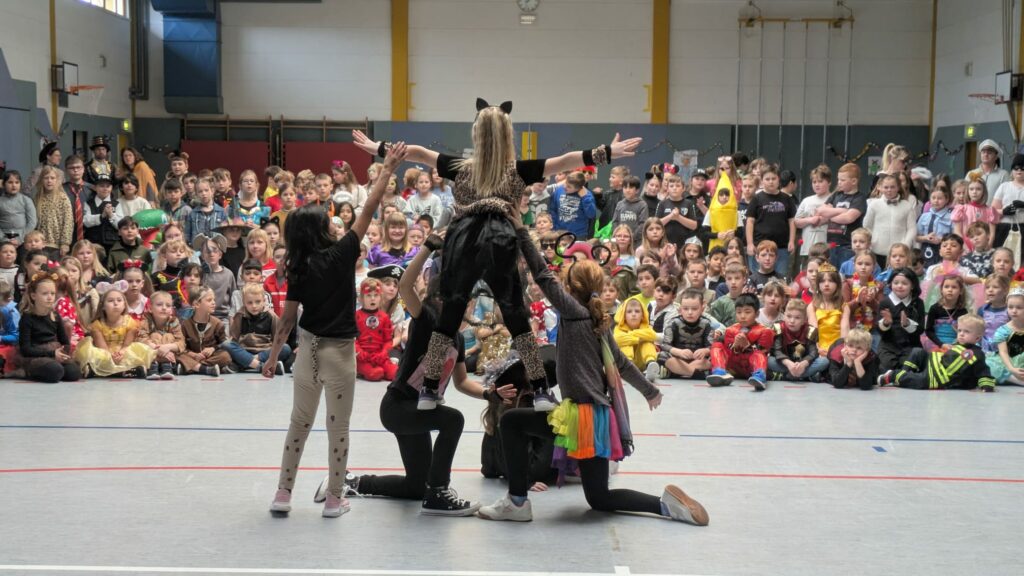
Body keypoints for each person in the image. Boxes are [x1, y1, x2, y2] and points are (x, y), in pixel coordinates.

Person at [351, 102, 640, 413]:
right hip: (500, 238)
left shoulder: (461, 167)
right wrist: (605, 152)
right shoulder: (517, 170)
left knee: (449, 315)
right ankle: (540, 389)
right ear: (507, 134)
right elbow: (565, 161)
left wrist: (379, 148)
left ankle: (429, 389)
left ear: (477, 134)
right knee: (515, 314)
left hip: (463, 240)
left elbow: (419, 153)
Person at [479, 214, 708, 525]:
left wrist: (522, 231)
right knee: (599, 498)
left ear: (570, 287)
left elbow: (542, 276)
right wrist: (649, 390)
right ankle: (666, 506)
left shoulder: (573, 313)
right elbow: (621, 363)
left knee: (511, 422)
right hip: (598, 416)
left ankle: (517, 502)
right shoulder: (597, 318)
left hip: (580, 416)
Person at [314, 236, 507, 515]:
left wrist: (491, 393)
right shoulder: (427, 319)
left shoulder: (457, 339)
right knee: (453, 419)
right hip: (399, 407)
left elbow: (463, 382)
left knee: (416, 486)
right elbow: (405, 285)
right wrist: (427, 247)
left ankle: (348, 482)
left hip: (418, 411)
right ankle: (438, 493)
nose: (468, 309)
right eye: (465, 302)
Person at [262, 143, 405, 518]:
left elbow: (287, 320)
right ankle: (334, 498)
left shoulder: (298, 265)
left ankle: (283, 494)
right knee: (337, 427)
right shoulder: (343, 254)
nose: (331, 221)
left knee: (299, 423)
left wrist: (273, 357)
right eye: (325, 218)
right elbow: (369, 206)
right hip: (339, 352)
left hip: (307, 350)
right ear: (319, 228)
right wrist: (388, 167)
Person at [878, 314, 994, 391]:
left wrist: (986, 384)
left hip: (939, 377)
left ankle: (893, 376)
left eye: (966, 332)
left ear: (977, 338)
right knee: (918, 352)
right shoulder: (955, 345)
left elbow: (983, 370)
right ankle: (905, 373)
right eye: (959, 330)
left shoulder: (977, 354)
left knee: (920, 381)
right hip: (933, 362)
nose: (961, 334)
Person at [73, 282, 156, 378]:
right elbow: (102, 347)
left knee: (137, 350)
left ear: (124, 305)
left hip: (123, 350)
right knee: (93, 353)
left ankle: (107, 371)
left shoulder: (130, 322)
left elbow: (127, 345)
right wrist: (110, 356)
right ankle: (123, 371)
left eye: (119, 300)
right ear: (103, 306)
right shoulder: (97, 325)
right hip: (105, 352)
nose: (115, 303)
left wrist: (121, 353)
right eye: (110, 301)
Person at [18, 272, 81, 383]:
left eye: (52, 293)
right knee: (55, 371)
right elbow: (25, 349)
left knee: (74, 372)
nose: (50, 297)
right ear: (33, 296)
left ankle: (55, 368)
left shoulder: (55, 316)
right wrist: (52, 354)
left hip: (54, 352)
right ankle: (29, 372)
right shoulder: (27, 318)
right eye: (45, 294)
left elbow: (65, 341)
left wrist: (63, 354)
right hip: (36, 355)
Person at [707, 294, 774, 391]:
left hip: (751, 368)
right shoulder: (730, 330)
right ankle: (719, 372)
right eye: (739, 312)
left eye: (747, 312)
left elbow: (764, 351)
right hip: (733, 367)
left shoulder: (765, 331)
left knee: (759, 354)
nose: (742, 316)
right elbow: (728, 350)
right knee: (717, 345)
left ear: (757, 314)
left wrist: (747, 346)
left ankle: (759, 376)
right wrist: (735, 345)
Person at [0, 170, 37, 249]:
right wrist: (4, 239)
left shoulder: (26, 200)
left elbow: (32, 222)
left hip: (23, 238)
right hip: (3, 238)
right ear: (3, 184)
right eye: (10, 182)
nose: (14, 185)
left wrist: (20, 239)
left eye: (17, 182)